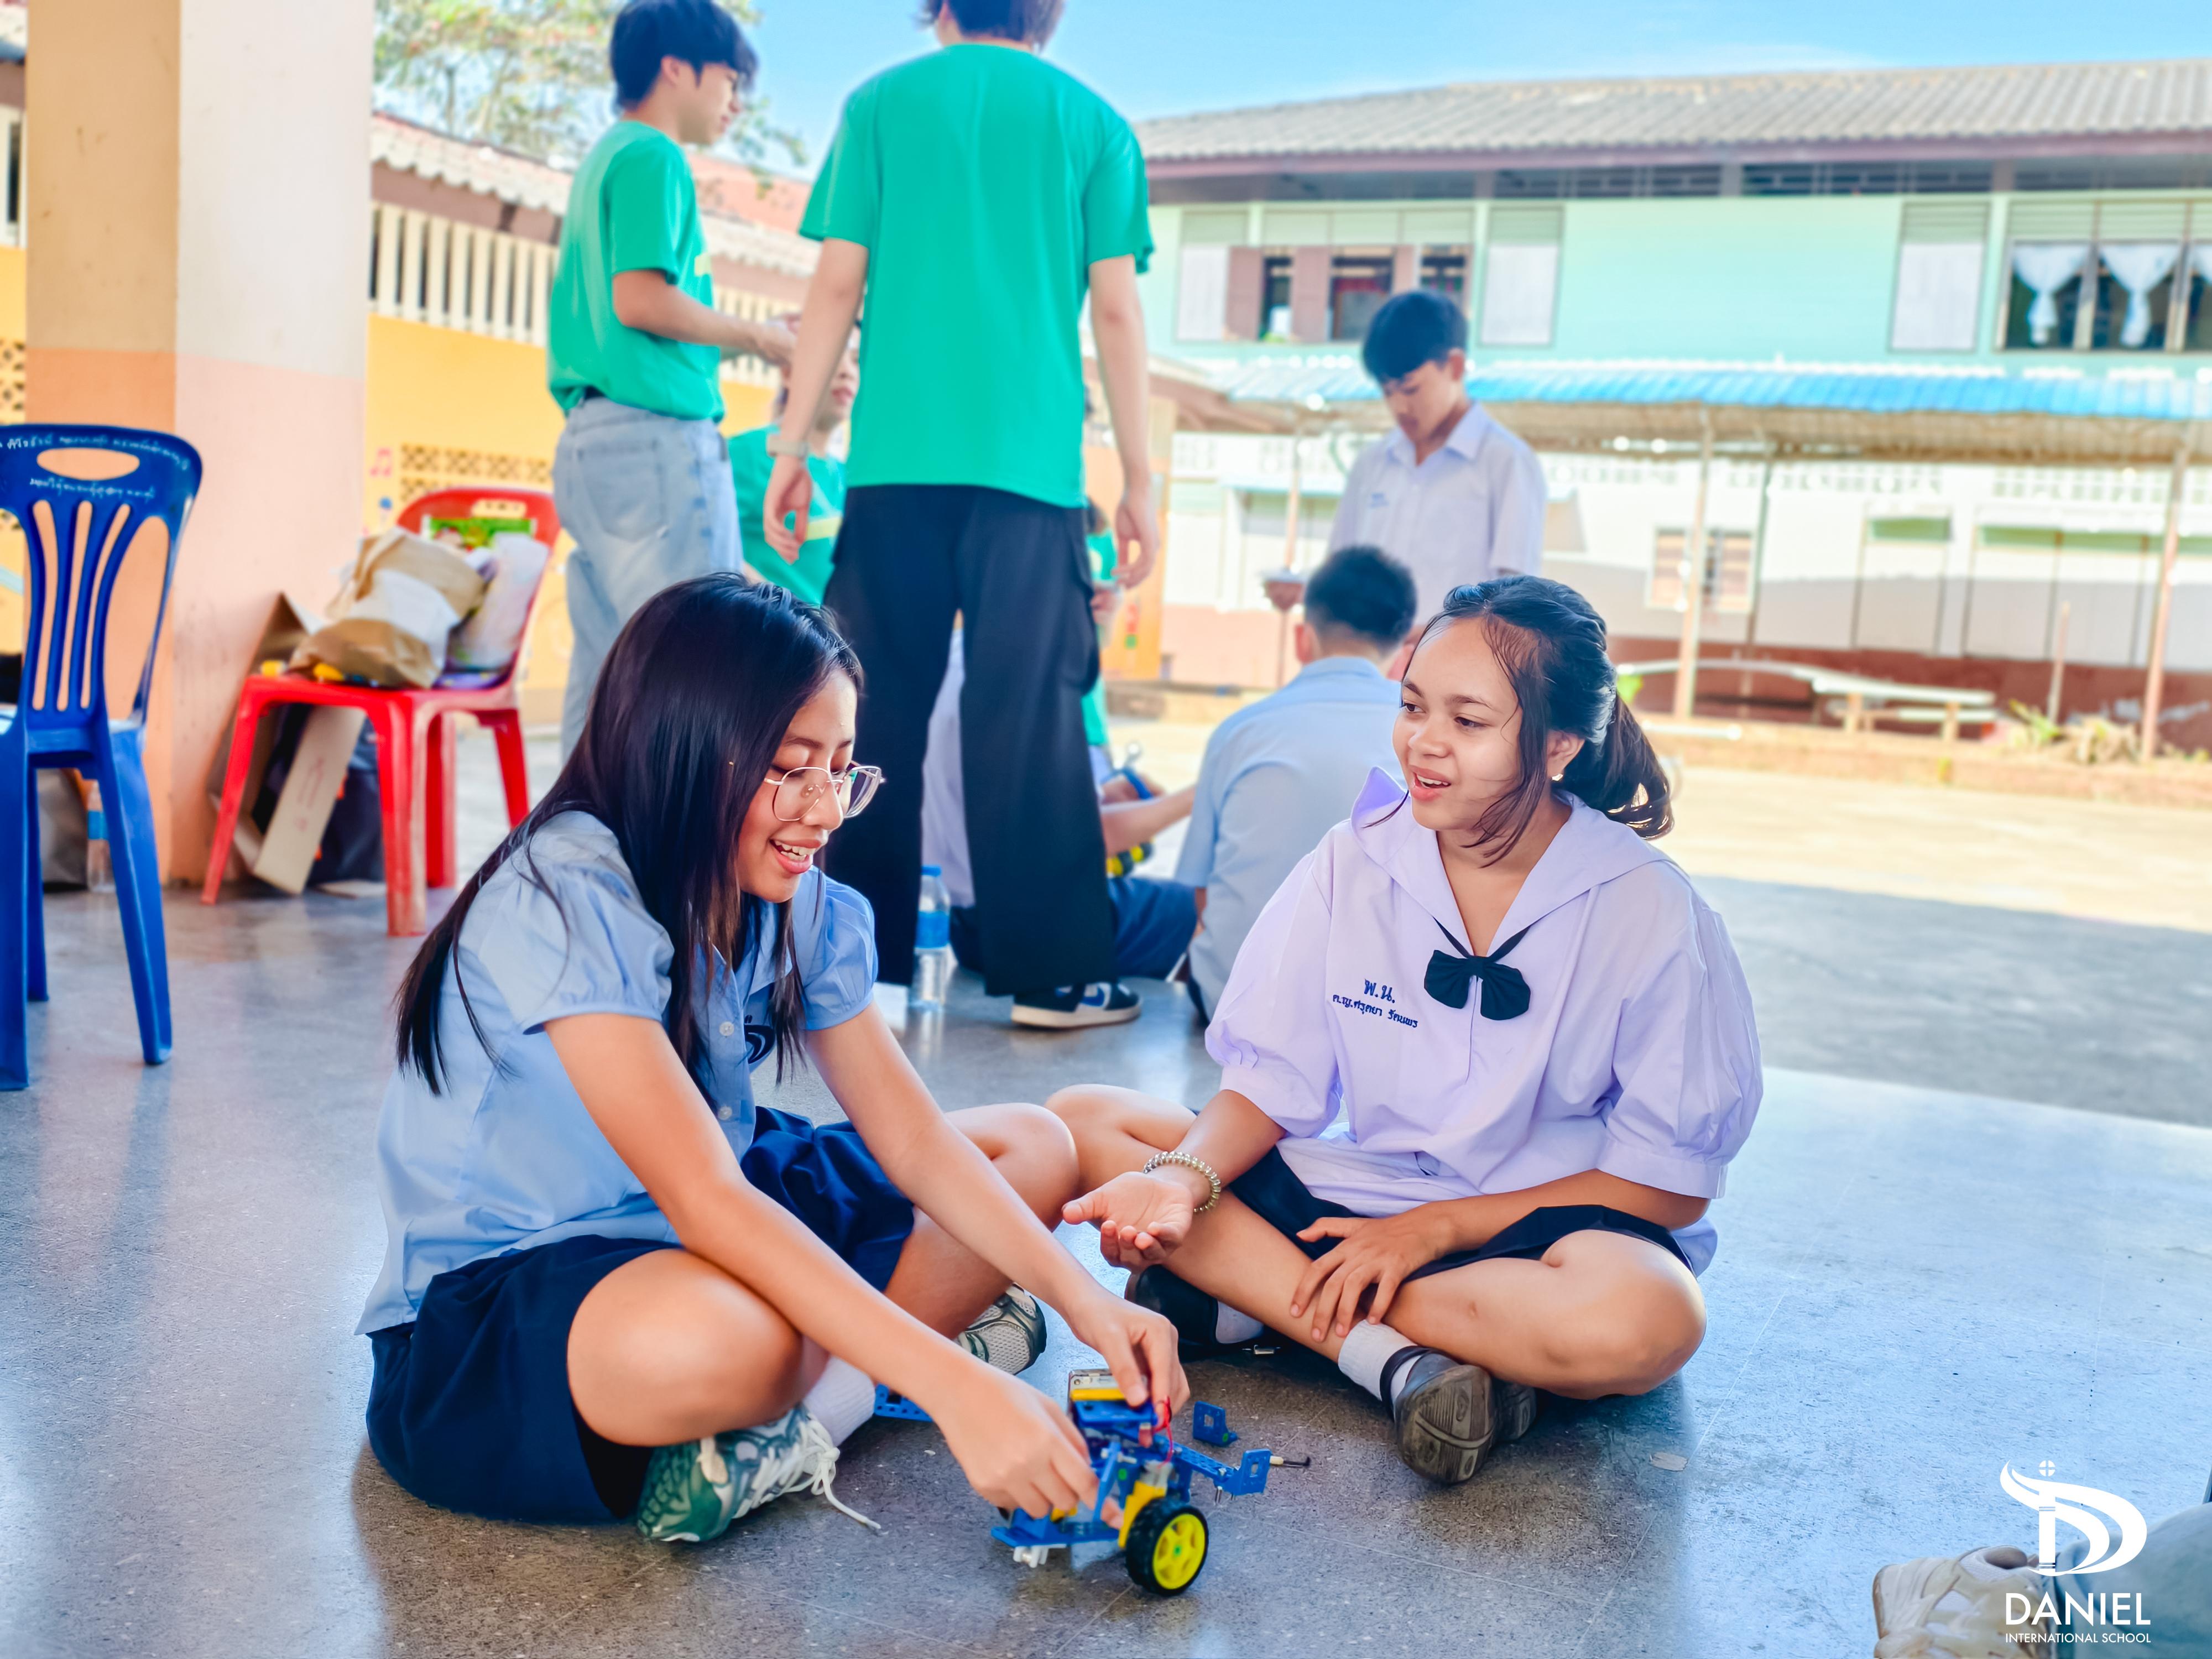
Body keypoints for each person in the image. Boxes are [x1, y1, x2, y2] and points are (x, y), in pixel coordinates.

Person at [358, 576, 1183, 1541]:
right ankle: (849, 1385)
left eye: (842, 768)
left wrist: (1086, 1304)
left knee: (1034, 1146)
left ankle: (802, 1418)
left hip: (698, 1208)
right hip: (506, 1294)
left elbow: (914, 1139)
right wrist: (959, 1385)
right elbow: (707, 1198)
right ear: (681, 748)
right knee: (721, 1344)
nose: (826, 809)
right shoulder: (566, 893)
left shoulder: (795, 893)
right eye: (792, 768)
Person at [1048, 575, 1762, 1487]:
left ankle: (1264, 1304)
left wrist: (1431, 1233)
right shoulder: (1356, 856)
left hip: (1540, 1234)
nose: (1425, 742)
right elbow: (1269, 1082)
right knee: (1087, 1122)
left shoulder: (1647, 908)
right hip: (1367, 1198)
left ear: (1557, 747)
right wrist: (1183, 1181)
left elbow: (1670, 1189)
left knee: (1649, 1321)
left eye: (1468, 723)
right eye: (1414, 705)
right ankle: (1400, 1358)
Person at [763, 0, 1159, 1029]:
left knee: (864, 710)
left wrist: (795, 445)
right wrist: (1142, 478)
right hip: (1033, 478)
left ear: (937, 4)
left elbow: (835, 287)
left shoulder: (879, 107)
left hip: (895, 465)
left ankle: (842, 972)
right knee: (1027, 712)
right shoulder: (1096, 124)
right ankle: (1054, 977)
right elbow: (1116, 310)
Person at [547, 0, 795, 757]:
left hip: (592, 445)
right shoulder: (655, 156)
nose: (736, 100)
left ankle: (571, 867)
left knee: (605, 687)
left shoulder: (604, 159)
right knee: (698, 675)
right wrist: (757, 335)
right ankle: (678, 873)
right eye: (730, 78)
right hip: (655, 442)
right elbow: (642, 298)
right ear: (677, 68)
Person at [1177, 545, 1417, 1022]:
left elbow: (1203, 894)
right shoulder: (1426, 735)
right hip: (1374, 1019)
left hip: (1231, 1006)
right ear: (1405, 649)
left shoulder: (1240, 730)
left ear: (1301, 637)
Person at [921, 637, 1198, 1016]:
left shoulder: (949, 658)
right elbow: (1089, 836)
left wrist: (1095, 795)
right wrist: (1197, 795)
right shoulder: (1025, 673)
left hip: (963, 927)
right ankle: (1189, 1030)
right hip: (1035, 934)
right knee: (1204, 902)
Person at [1262, 290, 1546, 634]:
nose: (1398, 407)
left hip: (1453, 679)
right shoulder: (1372, 464)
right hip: (1368, 672)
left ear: (1455, 366)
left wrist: (1424, 641)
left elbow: (1514, 605)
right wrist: (1309, 590)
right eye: (1387, 392)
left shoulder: (1507, 463)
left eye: (1410, 389)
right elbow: (1343, 575)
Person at [731, 345, 858, 607]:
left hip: (833, 644)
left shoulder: (847, 475)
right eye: (832, 354)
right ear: (788, 372)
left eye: (856, 361)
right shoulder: (748, 453)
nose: (847, 371)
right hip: (769, 639)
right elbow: (701, 544)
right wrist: (784, 612)